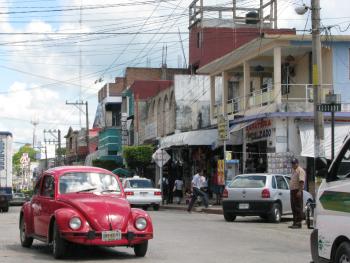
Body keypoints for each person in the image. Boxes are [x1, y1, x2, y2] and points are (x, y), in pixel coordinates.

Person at [288, 158, 306, 229]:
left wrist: (299, 191)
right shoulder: (294, 171)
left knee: (298, 207)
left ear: (297, 163)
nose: (293, 165)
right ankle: (295, 222)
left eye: (294, 163)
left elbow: (301, 181)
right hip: (293, 191)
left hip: (297, 190)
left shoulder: (300, 170)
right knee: (293, 207)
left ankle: (298, 223)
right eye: (292, 163)